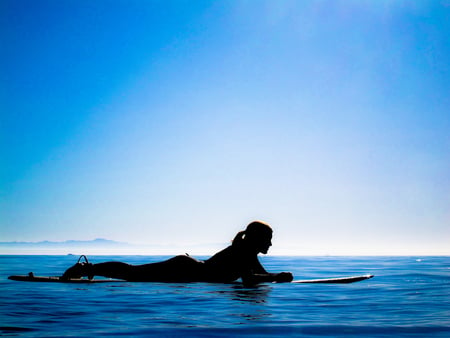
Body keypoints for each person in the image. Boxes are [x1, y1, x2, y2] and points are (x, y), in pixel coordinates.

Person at [61, 221, 293, 286]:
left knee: (134, 275)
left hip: (187, 272)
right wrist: (276, 277)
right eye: (269, 239)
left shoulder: (248, 254)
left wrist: (275, 277)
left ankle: (88, 269)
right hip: (184, 269)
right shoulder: (243, 251)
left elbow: (260, 275)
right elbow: (250, 278)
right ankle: (85, 268)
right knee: (133, 274)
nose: (271, 244)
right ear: (257, 239)